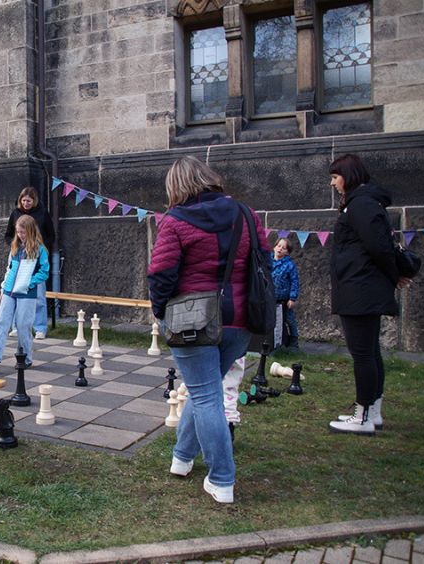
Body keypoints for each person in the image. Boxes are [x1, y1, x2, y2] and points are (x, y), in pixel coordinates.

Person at [147, 156, 270, 504]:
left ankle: (221, 478)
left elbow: (161, 275)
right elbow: (264, 261)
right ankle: (182, 457)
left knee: (205, 397)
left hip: (193, 323)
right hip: (240, 320)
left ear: (176, 186)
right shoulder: (246, 214)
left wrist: (161, 313)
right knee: (205, 390)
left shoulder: (175, 221)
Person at [328, 154, 412, 435]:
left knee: (363, 354)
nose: (333, 183)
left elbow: (379, 246)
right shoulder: (362, 203)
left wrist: (393, 274)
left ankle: (362, 415)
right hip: (361, 285)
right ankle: (372, 411)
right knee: (370, 351)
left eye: (336, 177)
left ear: (349, 176)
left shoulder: (361, 204)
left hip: (360, 288)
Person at [0, 215, 50, 375]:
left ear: (31, 231)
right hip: (9, 291)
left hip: (27, 293)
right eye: (18, 232)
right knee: (1, 323)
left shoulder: (40, 250)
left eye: (23, 232)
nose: (20, 235)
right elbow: (9, 269)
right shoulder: (15, 247)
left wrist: (29, 282)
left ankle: (25, 357)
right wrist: (3, 288)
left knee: (23, 325)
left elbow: (44, 272)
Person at [4, 187, 54, 340]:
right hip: (18, 254)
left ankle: (40, 327)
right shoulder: (15, 213)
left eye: (29, 201)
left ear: (34, 201)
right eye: (24, 200)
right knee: (16, 291)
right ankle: (16, 326)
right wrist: (16, 246)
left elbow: (51, 234)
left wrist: (40, 247)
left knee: (38, 294)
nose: (26, 203)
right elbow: (8, 235)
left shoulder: (42, 213)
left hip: (35, 253)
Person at [272, 237, 300, 351]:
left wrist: (292, 298)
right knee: (275, 320)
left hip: (284, 299)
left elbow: (294, 282)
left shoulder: (290, 265)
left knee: (289, 319)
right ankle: (277, 341)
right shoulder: (268, 262)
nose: (280, 249)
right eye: (278, 246)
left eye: (283, 248)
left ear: (287, 252)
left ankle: (294, 340)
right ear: (274, 247)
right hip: (271, 298)